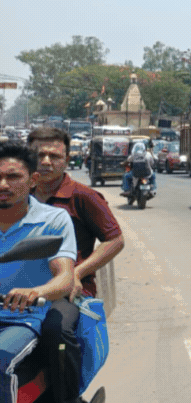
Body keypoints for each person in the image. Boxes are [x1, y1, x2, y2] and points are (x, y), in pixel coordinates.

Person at [29, 128, 122, 403]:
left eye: (53, 155)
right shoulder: (17, 196)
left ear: (66, 159)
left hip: (69, 293)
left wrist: (77, 273)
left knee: (56, 331)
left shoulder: (83, 196)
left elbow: (114, 239)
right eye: (39, 154)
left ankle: (69, 399)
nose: (46, 161)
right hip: (23, 287)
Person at [0, 141, 77, 403]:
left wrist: (34, 292)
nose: (3, 185)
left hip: (23, 317)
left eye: (12, 177)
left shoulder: (52, 220)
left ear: (32, 180)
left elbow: (65, 277)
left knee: (1, 359)